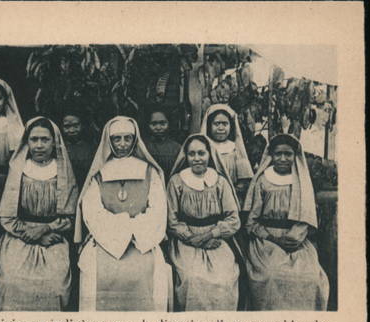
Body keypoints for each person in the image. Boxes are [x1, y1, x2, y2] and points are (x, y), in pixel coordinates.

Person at [75, 115, 172, 311]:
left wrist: (132, 232)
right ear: (108, 141)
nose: (122, 144)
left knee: (155, 273)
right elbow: (92, 211)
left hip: (142, 241)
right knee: (91, 272)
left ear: (135, 139)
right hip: (105, 241)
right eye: (116, 139)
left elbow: (158, 209)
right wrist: (123, 231)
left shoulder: (149, 171)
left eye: (128, 138)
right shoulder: (99, 173)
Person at [0, 116, 78, 310]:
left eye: (45, 140)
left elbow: (70, 216)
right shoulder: (18, 170)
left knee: (54, 283)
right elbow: (6, 215)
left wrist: (44, 230)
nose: (39, 145)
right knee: (12, 281)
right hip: (19, 236)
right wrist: (33, 234)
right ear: (27, 141)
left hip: (54, 236)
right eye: (34, 139)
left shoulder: (63, 170)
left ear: (54, 141)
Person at [243, 133, 329, 310]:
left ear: (295, 156)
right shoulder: (262, 180)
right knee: (270, 275)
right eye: (278, 154)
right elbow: (251, 222)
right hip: (266, 240)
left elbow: (306, 216)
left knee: (311, 276)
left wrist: (294, 238)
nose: (283, 158)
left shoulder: (301, 183)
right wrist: (273, 239)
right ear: (271, 156)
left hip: (295, 239)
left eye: (288, 154)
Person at [167, 133, 241, 310]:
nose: (197, 158)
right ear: (186, 156)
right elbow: (171, 219)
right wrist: (190, 238)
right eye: (192, 154)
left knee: (224, 278)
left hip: (217, 239)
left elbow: (233, 218)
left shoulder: (220, 182)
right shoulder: (176, 181)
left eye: (201, 153)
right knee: (191, 278)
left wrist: (209, 235)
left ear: (210, 154)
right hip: (186, 241)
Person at [201, 104, 253, 197]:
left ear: (231, 126)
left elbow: (244, 179)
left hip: (231, 195)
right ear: (209, 125)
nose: (221, 128)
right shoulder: (205, 148)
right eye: (216, 124)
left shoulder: (234, 148)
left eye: (225, 124)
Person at [143, 105, 181, 182]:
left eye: (162, 123)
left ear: (169, 123)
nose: (158, 127)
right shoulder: (143, 146)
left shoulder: (176, 148)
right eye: (154, 124)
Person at [60, 110, 96, 191]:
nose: (72, 130)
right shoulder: (59, 148)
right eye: (67, 127)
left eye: (76, 126)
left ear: (82, 125)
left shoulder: (91, 148)